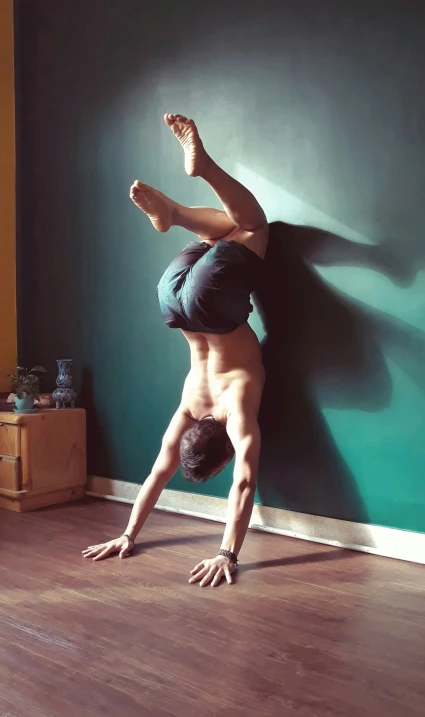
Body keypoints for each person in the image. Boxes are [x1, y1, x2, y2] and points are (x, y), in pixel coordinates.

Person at [82, 114, 268, 587]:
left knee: (251, 225)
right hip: (173, 305)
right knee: (221, 232)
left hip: (214, 311)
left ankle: (198, 174)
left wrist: (228, 553)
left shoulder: (234, 412)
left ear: (223, 451)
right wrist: (127, 532)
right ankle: (176, 213)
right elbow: (157, 474)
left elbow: (244, 484)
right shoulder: (186, 410)